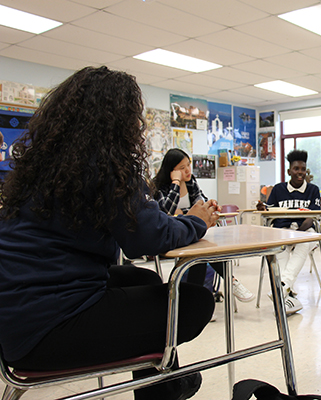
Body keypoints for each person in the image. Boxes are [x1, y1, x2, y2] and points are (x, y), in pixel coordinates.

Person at [0, 66, 220, 400]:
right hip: (49, 330)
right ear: (116, 121)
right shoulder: (103, 165)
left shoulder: (43, 164)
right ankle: (166, 385)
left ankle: (164, 384)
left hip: (15, 319)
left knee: (142, 281)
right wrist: (197, 221)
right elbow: (147, 238)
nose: (138, 126)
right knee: (195, 302)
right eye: (134, 116)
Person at [152, 148, 254, 302]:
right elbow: (166, 210)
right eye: (181, 168)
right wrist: (175, 183)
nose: (187, 170)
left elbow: (199, 204)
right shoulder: (159, 186)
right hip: (171, 235)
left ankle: (198, 300)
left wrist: (208, 205)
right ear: (171, 170)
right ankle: (228, 282)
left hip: (190, 233)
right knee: (200, 253)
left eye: (188, 165)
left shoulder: (191, 181)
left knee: (204, 252)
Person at [256, 149, 321, 315]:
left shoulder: (313, 190)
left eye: (303, 169)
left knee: (302, 246)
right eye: (296, 169)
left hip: (305, 231)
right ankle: (286, 293)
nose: (300, 172)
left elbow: (311, 217)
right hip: (282, 231)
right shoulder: (278, 189)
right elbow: (270, 212)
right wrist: (263, 208)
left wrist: (297, 234)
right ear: (289, 171)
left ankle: (281, 287)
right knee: (281, 251)